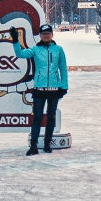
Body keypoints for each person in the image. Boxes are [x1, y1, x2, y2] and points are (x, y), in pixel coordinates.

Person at [10, 23, 68, 156]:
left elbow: (63, 69)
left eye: (48, 33)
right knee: (37, 117)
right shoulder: (35, 50)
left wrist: (64, 87)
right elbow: (20, 54)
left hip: (54, 89)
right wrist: (15, 40)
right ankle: (34, 145)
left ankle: (47, 144)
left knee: (51, 116)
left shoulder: (58, 49)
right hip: (39, 89)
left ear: (52, 34)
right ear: (40, 36)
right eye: (43, 34)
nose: (46, 36)